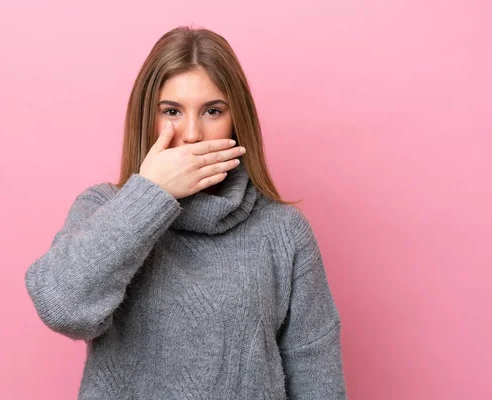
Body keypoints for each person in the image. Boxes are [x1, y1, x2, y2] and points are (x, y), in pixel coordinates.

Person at [25, 25, 348, 399]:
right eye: (171, 111)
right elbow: (62, 307)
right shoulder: (103, 209)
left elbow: (317, 377)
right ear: (148, 118)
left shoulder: (283, 231)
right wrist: (151, 194)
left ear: (237, 120)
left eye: (212, 110)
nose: (192, 134)